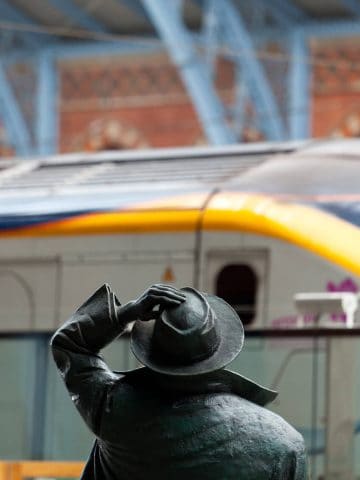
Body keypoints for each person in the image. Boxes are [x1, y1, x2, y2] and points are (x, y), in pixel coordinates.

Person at [51, 283, 307, 479]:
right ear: (220, 353)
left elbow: (69, 344)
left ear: (152, 354)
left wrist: (125, 313)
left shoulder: (113, 408)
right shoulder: (285, 443)